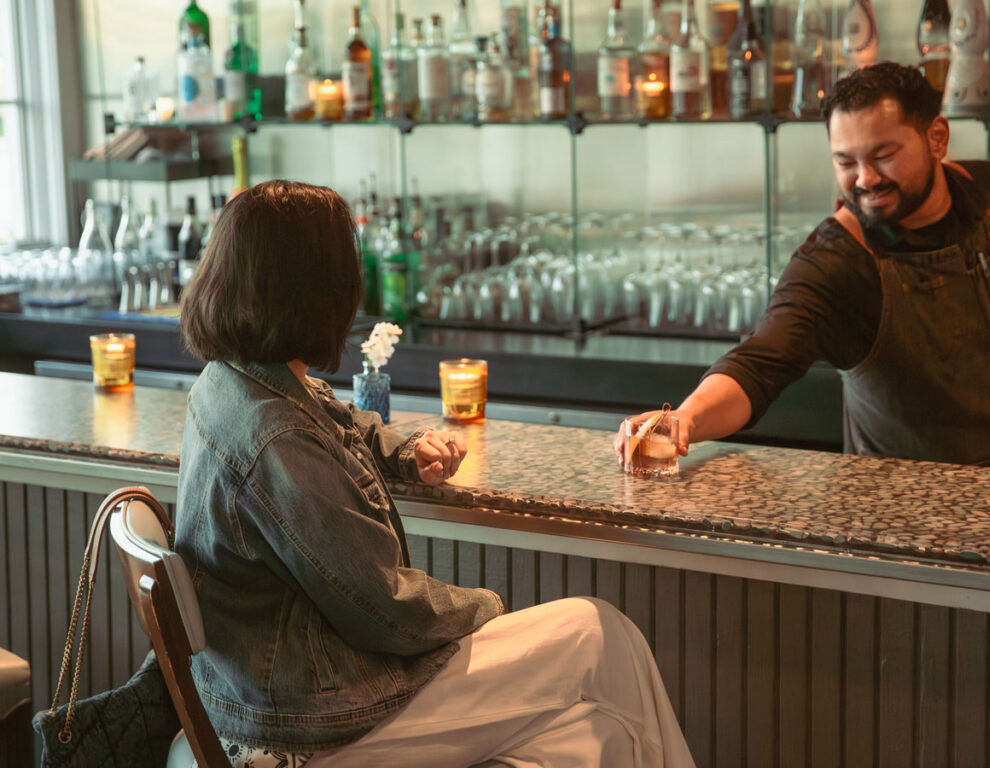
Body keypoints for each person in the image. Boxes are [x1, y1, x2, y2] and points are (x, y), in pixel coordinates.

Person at [177, 180, 695, 768]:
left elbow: (337, 413)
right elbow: (383, 609)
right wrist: (490, 612)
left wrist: (406, 449)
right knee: (600, 633)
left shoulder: (232, 382)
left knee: (594, 737)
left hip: (256, 696)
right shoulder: (278, 437)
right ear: (319, 290)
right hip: (307, 725)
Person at [617, 62, 990, 469]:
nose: (865, 179)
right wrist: (685, 418)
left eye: (884, 156)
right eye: (846, 163)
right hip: (901, 508)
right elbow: (759, 363)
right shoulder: (837, 259)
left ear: (937, 138)